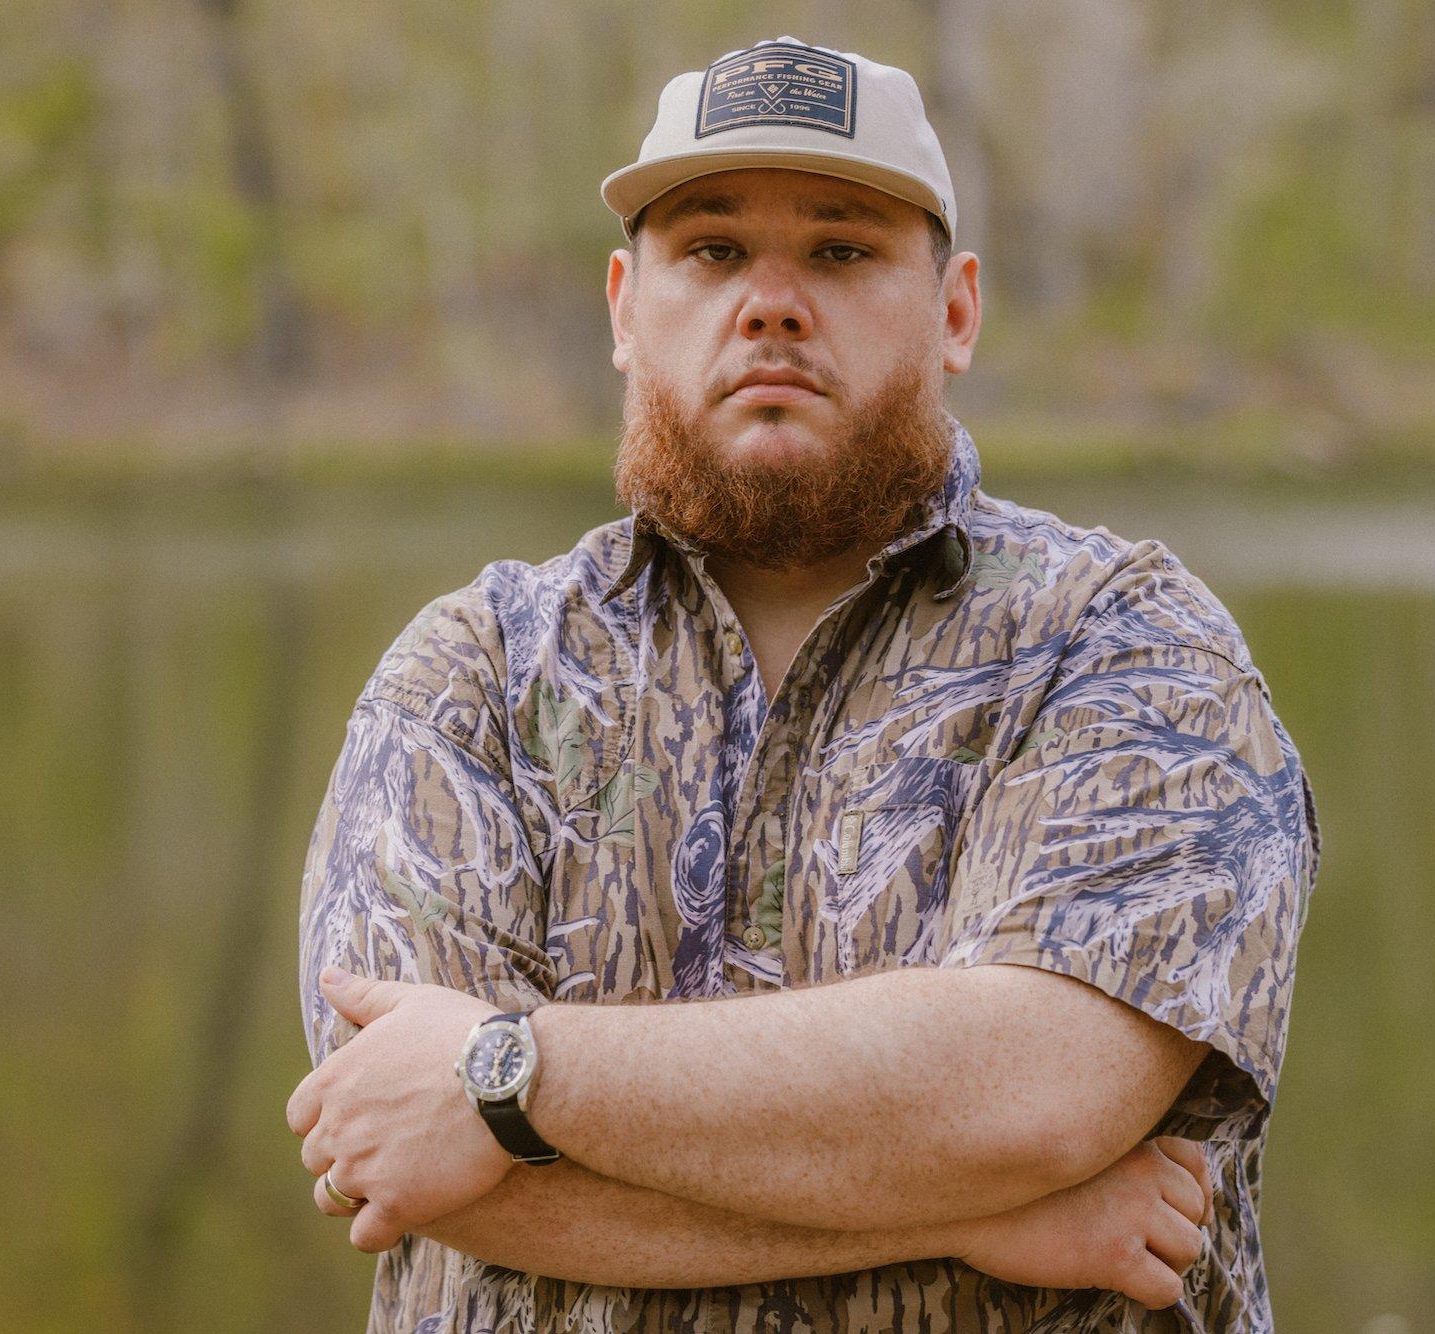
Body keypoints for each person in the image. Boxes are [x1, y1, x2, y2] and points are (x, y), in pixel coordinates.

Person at [285, 35, 1319, 1334]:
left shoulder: (1122, 645)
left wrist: (509, 1071)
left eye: (840, 250)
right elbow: (407, 1158)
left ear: (955, 309)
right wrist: (982, 1211)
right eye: (713, 251)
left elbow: (1036, 1095)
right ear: (623, 306)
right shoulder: (475, 674)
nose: (771, 301)